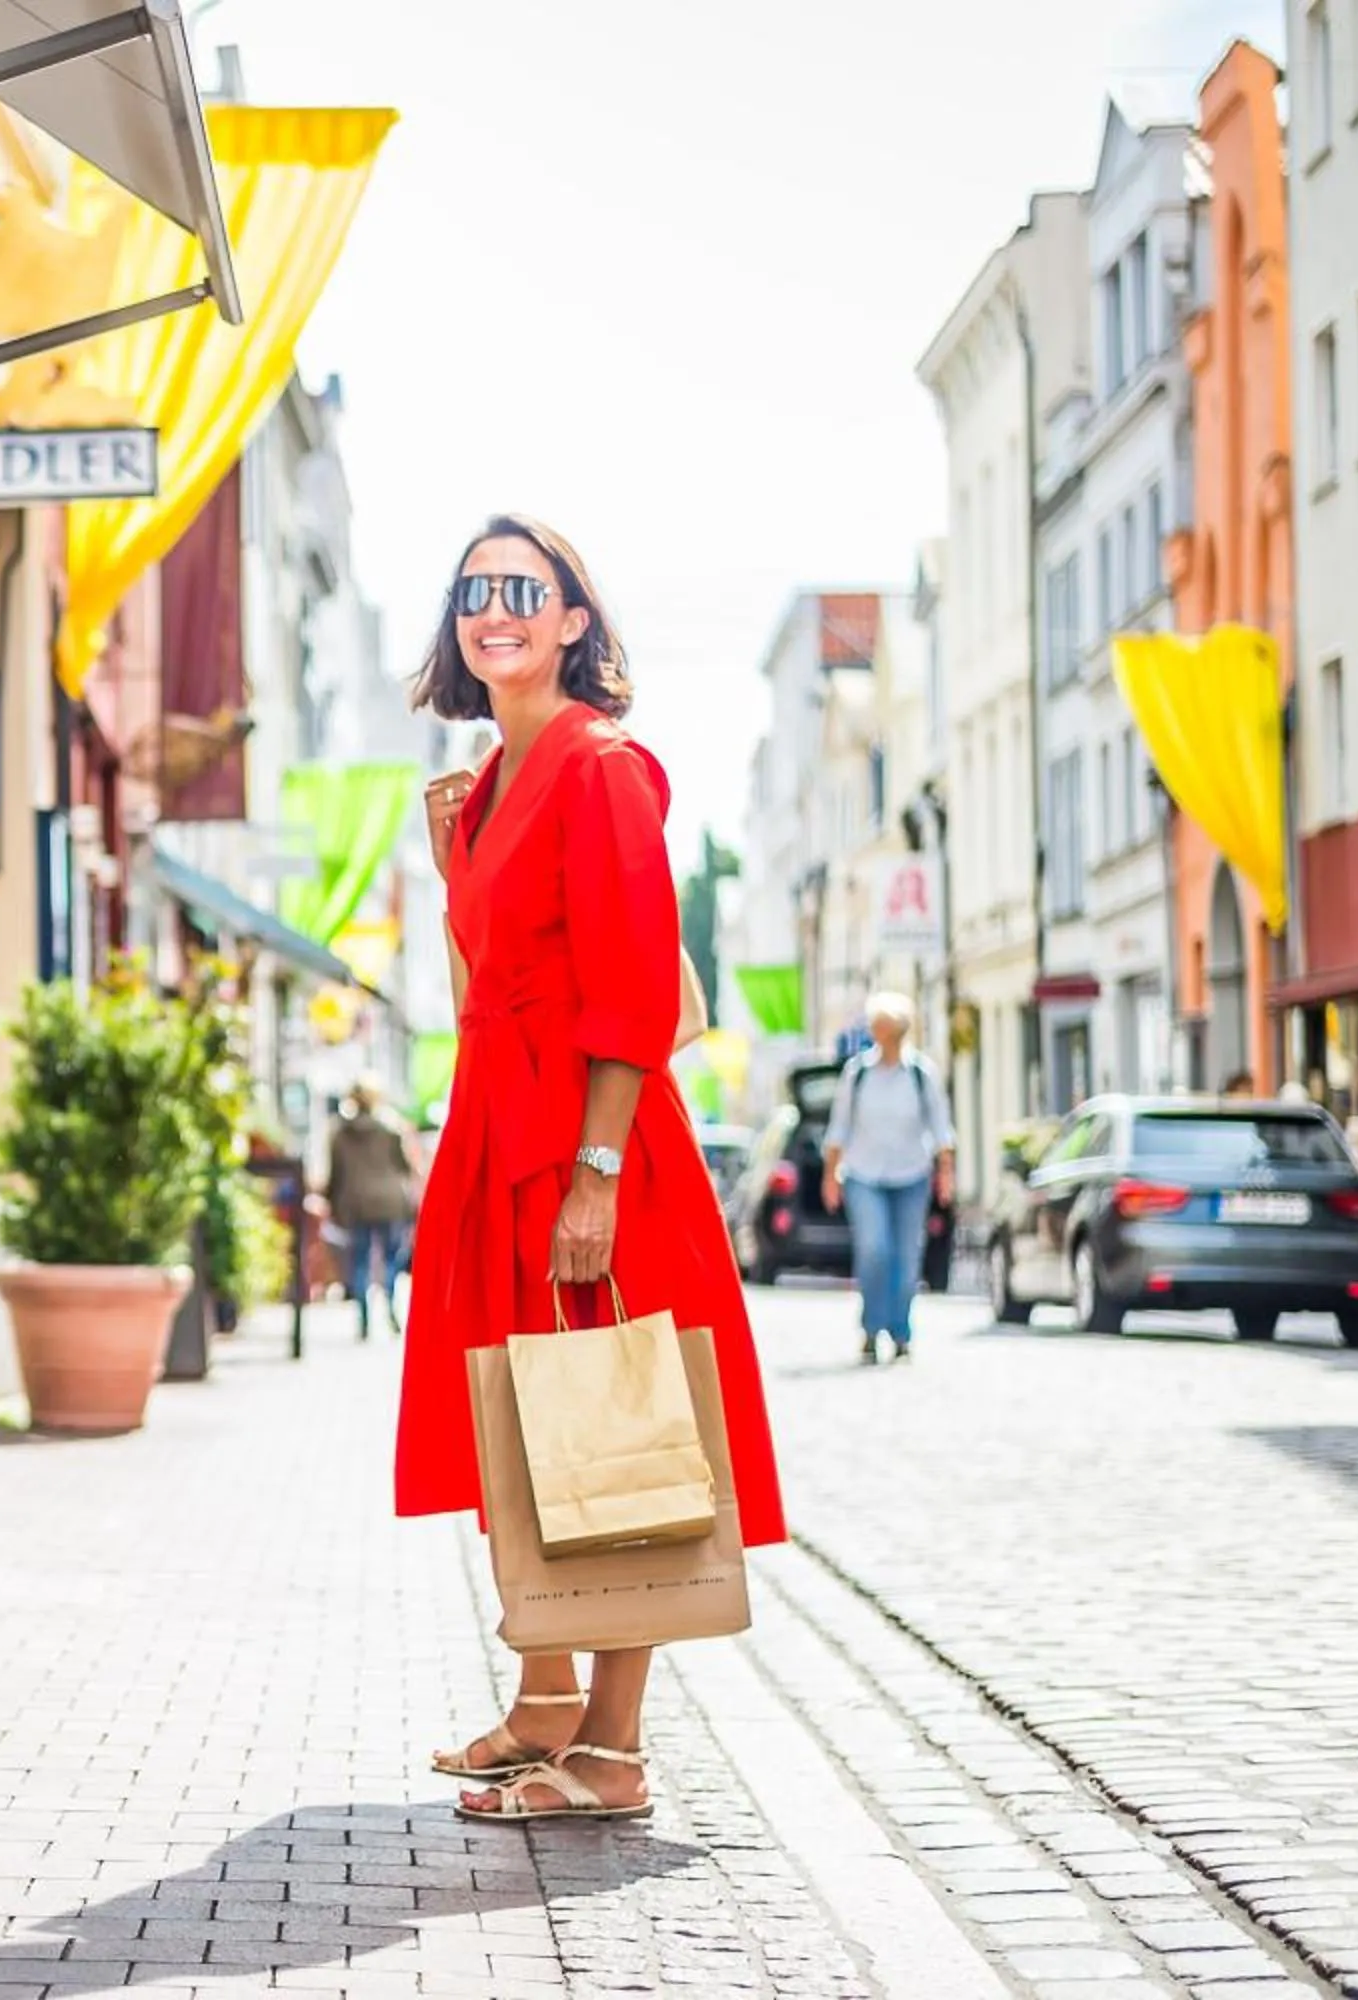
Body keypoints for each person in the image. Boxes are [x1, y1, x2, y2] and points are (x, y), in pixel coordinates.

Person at [396, 515, 787, 1825]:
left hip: (586, 1137)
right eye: (474, 591)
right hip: (498, 1130)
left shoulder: (601, 765)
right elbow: (488, 974)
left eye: (524, 588)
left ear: (573, 620)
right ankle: (547, 1697)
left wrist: (599, 1169)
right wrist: (453, 858)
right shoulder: (482, 787)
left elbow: (631, 981)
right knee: (524, 1419)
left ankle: (612, 1751)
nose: (493, 609)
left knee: (619, 1429)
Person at [821, 992, 958, 1364]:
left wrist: (945, 1172)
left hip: (911, 1176)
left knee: (906, 1256)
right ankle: (871, 1327)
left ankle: (900, 1332)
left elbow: (941, 1128)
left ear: (902, 1032)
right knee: (874, 1249)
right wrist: (831, 1175)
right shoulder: (858, 1073)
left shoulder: (921, 1074)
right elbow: (839, 1128)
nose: (883, 1036)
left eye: (890, 1030)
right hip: (863, 1175)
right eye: (879, 1029)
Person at [323, 1075, 421, 1339]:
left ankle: (364, 1319)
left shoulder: (339, 1133)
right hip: (390, 1202)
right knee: (391, 1258)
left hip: (356, 1203)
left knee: (360, 1260)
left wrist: (331, 1202)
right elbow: (404, 1167)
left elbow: (335, 1173)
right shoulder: (391, 1128)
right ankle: (391, 1309)